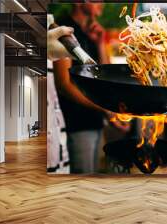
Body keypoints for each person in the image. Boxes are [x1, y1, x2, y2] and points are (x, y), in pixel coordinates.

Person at [53, 3, 128, 173]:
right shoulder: (63, 31)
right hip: (76, 123)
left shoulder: (90, 32)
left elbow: (107, 75)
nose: (101, 3)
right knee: (83, 181)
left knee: (93, 175)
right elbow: (64, 85)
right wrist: (106, 108)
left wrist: (101, 44)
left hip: (95, 121)